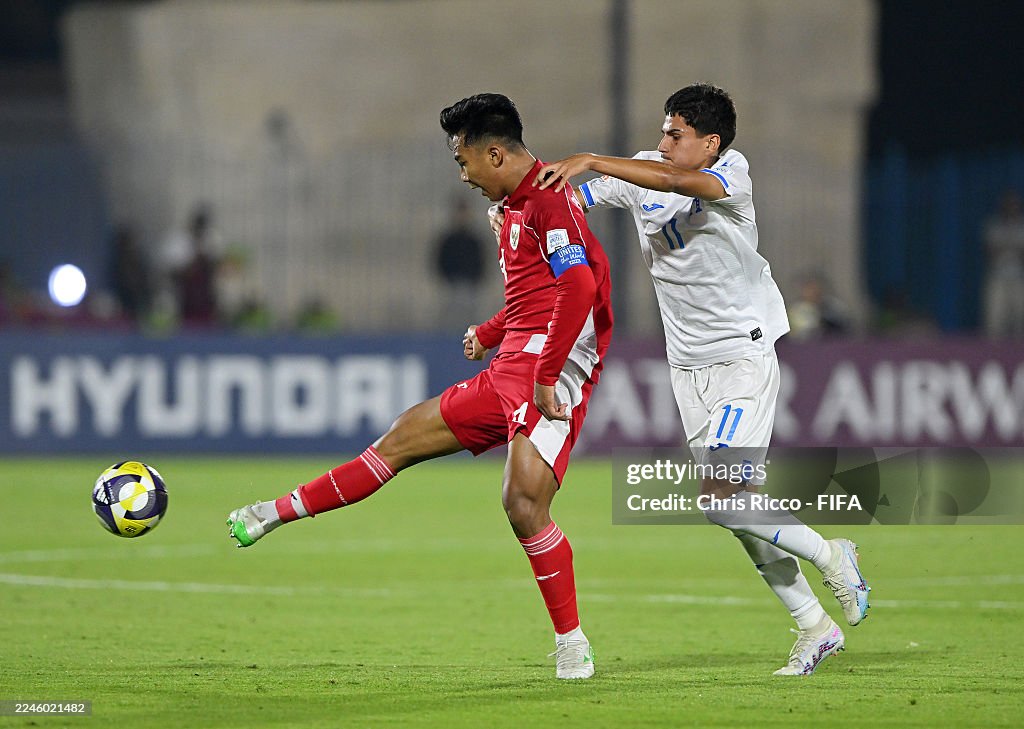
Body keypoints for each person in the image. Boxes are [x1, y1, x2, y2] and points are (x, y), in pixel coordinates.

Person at [226, 93, 614, 680]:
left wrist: (546, 373)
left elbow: (579, 287)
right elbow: (536, 293)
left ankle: (572, 643)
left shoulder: (546, 202)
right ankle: (274, 512)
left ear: (495, 153)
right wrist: (488, 331)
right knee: (401, 436)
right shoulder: (514, 206)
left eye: (464, 161)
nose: (463, 175)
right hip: (511, 363)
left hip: (549, 371)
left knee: (523, 504)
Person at [531, 83, 870, 676]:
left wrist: (593, 157)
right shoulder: (642, 170)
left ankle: (831, 552)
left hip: (742, 357)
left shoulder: (731, 175)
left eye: (675, 135)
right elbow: (572, 200)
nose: (662, 144)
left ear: (710, 143)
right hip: (687, 368)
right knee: (740, 516)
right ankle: (814, 625)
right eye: (663, 131)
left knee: (722, 499)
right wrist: (524, 208)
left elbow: (674, 184)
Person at [434, 197, 487, 330]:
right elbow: (441, 260)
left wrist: (476, 278)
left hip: (470, 285)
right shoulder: (449, 239)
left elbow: (481, 260)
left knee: (470, 317)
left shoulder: (473, 240)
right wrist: (448, 278)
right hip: (451, 284)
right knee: (451, 318)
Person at [982, 190, 1024, 338]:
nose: (1011, 208)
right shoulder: (994, 226)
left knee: (1020, 317)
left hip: (1020, 277)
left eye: (1014, 205)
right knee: (995, 318)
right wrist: (1013, 247)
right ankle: (993, 353)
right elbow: (991, 252)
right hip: (998, 277)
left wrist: (1007, 247)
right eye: (1008, 205)